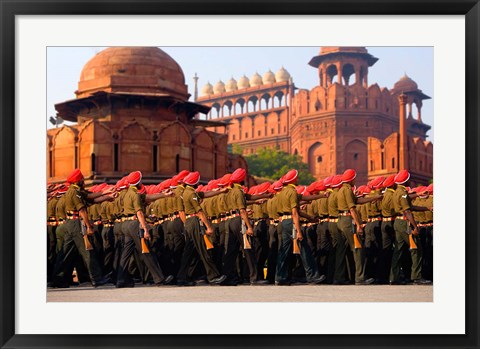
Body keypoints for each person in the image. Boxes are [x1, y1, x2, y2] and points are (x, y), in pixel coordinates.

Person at [49, 169, 115, 288]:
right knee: (88, 250)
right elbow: (82, 210)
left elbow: (91, 197)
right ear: (78, 180)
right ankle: (96, 278)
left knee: (66, 253)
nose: (84, 180)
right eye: (82, 179)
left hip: (70, 223)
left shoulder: (75, 190)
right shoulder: (75, 193)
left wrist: (106, 193)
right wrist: (88, 226)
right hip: (75, 223)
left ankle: (57, 279)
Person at [116, 171, 174, 288]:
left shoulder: (127, 193)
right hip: (133, 224)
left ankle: (120, 280)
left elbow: (147, 197)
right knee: (147, 251)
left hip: (126, 225)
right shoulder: (135, 194)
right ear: (138, 182)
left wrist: (164, 195)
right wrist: (145, 228)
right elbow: (139, 212)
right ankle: (159, 279)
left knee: (125, 254)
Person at [275, 169, 326, 286]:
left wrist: (321, 196)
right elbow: (295, 213)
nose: (298, 179)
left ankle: (280, 277)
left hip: (284, 223)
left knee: (284, 251)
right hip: (292, 222)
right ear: (293, 179)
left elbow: (304, 198)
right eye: (296, 178)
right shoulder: (292, 192)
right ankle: (312, 276)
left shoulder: (282, 193)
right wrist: (298, 231)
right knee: (305, 250)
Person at [176, 171, 226, 286]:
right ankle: (213, 276)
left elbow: (203, 195)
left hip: (188, 222)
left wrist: (217, 192)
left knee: (188, 253)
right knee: (203, 250)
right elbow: (199, 211)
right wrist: (208, 226)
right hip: (194, 221)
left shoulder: (185, 192)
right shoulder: (191, 193)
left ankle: (181, 277)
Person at [389, 170, 431, 285]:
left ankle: (394, 278)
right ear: (406, 180)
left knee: (398, 250)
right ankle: (417, 277)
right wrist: (414, 226)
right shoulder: (402, 193)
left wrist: (426, 207)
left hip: (398, 223)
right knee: (416, 249)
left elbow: (409, 204)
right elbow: (408, 210)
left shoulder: (397, 192)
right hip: (405, 224)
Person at [336, 169, 375, 285]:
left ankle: (338, 277)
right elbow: (352, 208)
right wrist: (358, 225)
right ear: (352, 179)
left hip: (341, 220)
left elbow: (357, 201)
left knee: (341, 251)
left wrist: (373, 198)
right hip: (348, 221)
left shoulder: (341, 190)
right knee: (358, 249)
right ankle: (360, 278)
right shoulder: (348, 190)